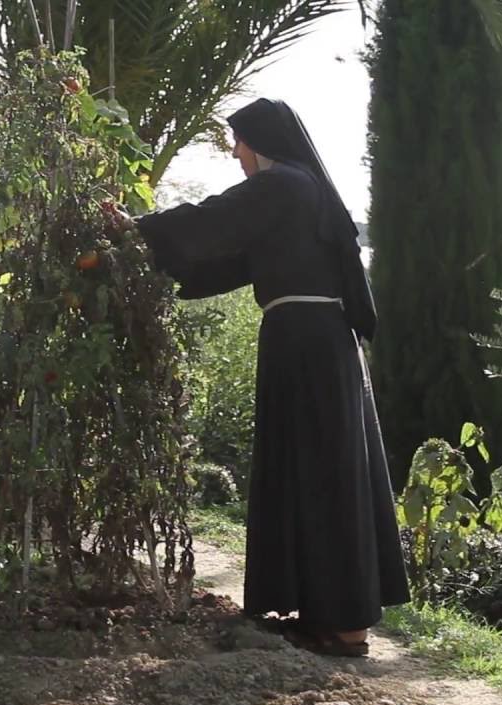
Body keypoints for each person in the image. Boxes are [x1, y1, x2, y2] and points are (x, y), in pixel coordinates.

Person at [110, 98, 409, 657]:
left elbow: (213, 219)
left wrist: (137, 229)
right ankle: (331, 617)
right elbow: (231, 261)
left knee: (320, 472)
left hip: (306, 344)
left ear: (260, 142)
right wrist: (152, 260)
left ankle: (345, 627)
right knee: (318, 470)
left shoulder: (284, 186)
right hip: (314, 342)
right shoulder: (299, 195)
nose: (234, 152)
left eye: (238, 142)